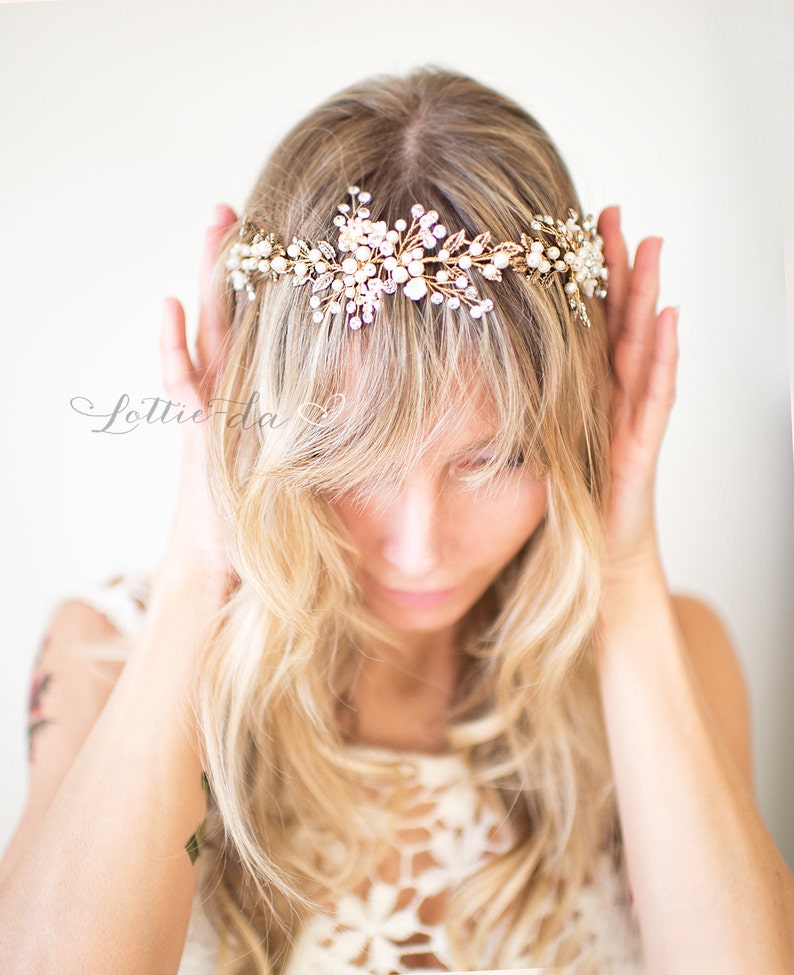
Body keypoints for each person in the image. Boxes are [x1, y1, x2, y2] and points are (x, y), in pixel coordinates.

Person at [0, 66, 792, 975]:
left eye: (493, 459)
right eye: (354, 460)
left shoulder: (676, 656)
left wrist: (622, 575)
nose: (420, 546)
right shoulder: (106, 656)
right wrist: (195, 569)